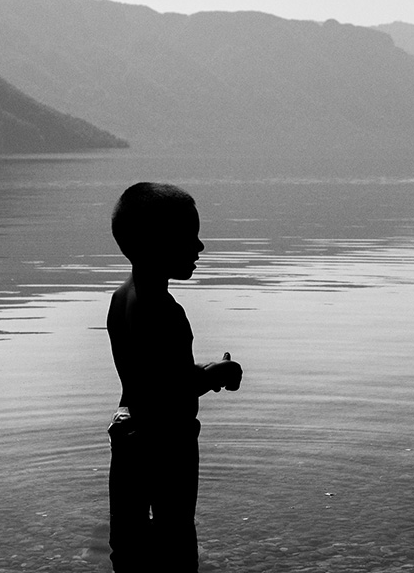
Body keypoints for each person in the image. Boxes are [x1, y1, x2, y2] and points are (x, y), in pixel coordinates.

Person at [106, 182, 243, 572]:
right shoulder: (166, 312)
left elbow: (147, 377)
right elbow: (172, 387)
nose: (199, 248)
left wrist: (202, 372)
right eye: (190, 238)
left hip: (129, 434)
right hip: (168, 443)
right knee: (177, 535)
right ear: (155, 244)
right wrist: (216, 375)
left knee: (128, 541)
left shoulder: (123, 297)